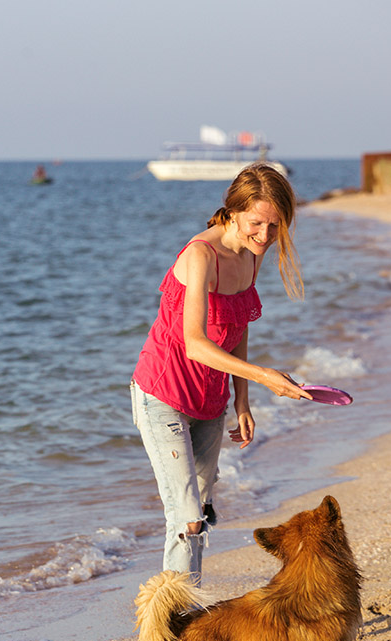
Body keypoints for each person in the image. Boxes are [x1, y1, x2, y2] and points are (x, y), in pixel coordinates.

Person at [130, 163, 311, 586]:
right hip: (162, 394)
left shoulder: (252, 254)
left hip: (209, 403)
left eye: (275, 226)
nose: (265, 236)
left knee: (203, 505)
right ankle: (176, 629)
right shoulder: (200, 256)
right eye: (256, 224)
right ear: (232, 212)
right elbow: (195, 342)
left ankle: (182, 607)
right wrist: (266, 375)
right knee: (187, 516)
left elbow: (239, 321)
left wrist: (242, 399)